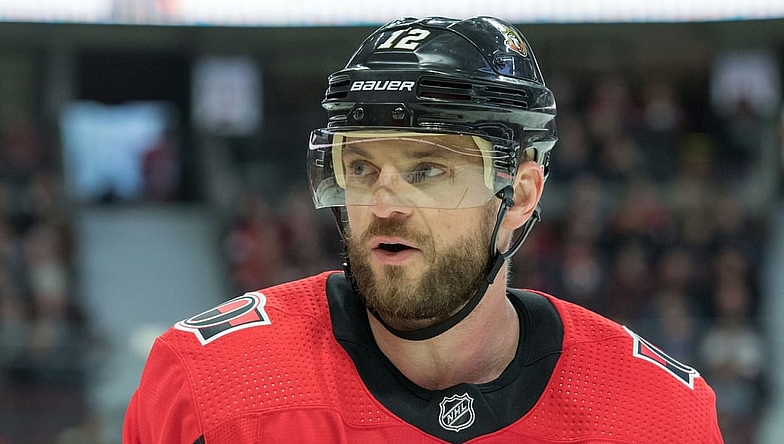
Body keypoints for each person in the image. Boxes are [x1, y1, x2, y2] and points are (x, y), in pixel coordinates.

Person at [123, 16, 723, 443]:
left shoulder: (660, 414)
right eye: (360, 168)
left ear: (519, 194)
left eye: (428, 169)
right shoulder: (209, 384)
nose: (384, 204)